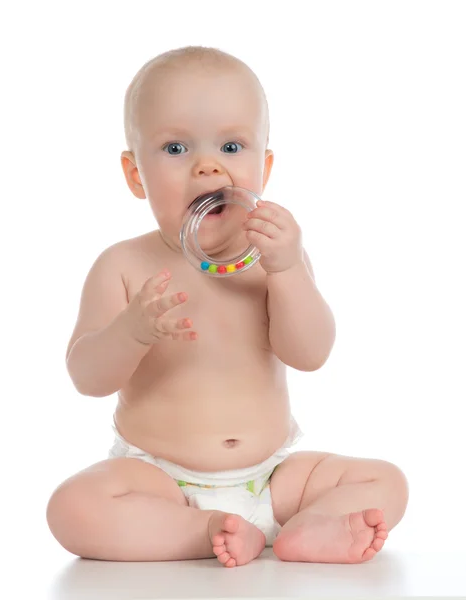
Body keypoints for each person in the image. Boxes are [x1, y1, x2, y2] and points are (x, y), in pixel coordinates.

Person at [46, 46, 408, 567]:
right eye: (175, 148)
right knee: (72, 508)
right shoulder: (123, 265)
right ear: (134, 175)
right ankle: (204, 530)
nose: (207, 165)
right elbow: (87, 376)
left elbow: (310, 353)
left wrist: (287, 273)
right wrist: (133, 330)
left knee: (386, 481)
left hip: (274, 476)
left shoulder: (274, 258)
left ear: (263, 167)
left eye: (232, 145)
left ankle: (303, 527)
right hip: (160, 480)